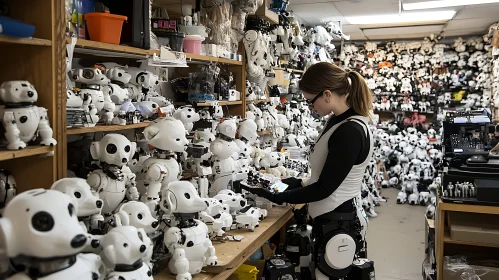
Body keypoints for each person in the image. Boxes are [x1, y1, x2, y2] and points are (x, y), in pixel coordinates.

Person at [242, 62, 374, 279]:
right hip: (332, 218)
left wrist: (282, 196)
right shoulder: (338, 121)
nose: (310, 107)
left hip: (340, 221)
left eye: (310, 101)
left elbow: (325, 187)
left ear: (328, 94)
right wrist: (295, 183)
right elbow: (326, 173)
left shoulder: (350, 131)